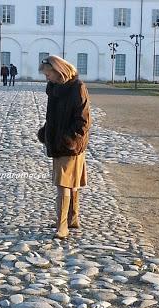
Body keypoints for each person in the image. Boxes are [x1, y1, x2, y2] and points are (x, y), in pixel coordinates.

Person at [37, 55, 92, 240]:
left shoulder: (77, 88)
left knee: (64, 185)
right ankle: (72, 219)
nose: (46, 78)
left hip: (70, 144)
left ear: (58, 70)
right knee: (71, 183)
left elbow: (83, 121)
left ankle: (63, 227)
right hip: (59, 141)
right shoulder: (54, 88)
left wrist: (69, 140)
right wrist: (46, 132)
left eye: (48, 74)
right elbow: (52, 116)